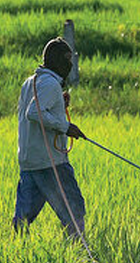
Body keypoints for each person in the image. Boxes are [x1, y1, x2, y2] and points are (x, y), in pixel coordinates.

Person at [13, 37, 87, 238]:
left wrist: (59, 106)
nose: (70, 64)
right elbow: (34, 113)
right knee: (74, 211)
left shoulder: (31, 82)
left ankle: (16, 253)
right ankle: (81, 255)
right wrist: (66, 127)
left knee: (22, 219)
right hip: (51, 163)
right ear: (55, 60)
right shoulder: (51, 84)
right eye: (67, 59)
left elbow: (38, 111)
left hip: (29, 162)